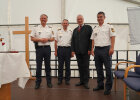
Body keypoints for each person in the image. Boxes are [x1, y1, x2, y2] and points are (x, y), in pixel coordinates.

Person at [91, 11, 116, 95]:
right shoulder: (95, 28)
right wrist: (92, 49)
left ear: (104, 18)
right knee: (99, 69)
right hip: (97, 50)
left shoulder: (109, 26)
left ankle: (108, 88)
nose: (99, 18)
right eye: (98, 17)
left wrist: (112, 47)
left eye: (101, 17)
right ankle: (100, 85)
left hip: (106, 49)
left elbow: (113, 37)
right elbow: (93, 39)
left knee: (108, 69)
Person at [30, 14, 54, 89]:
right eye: (42, 18)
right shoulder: (35, 28)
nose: (43, 19)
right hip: (39, 49)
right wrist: (40, 40)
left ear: (47, 20)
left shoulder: (50, 28)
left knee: (48, 66)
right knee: (38, 66)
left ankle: (49, 82)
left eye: (45, 18)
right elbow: (32, 38)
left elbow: (53, 39)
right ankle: (38, 83)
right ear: (40, 19)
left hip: (47, 48)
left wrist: (47, 39)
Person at [71, 15, 92, 89]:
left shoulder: (88, 27)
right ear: (77, 20)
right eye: (78, 19)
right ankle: (81, 81)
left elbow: (91, 39)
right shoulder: (75, 30)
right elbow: (73, 41)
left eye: (80, 19)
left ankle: (86, 82)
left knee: (86, 67)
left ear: (83, 19)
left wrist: (90, 49)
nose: (79, 20)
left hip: (86, 51)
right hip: (78, 52)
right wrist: (73, 50)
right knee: (80, 67)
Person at [54, 19, 72, 85]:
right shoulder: (58, 31)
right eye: (64, 23)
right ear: (62, 24)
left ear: (68, 24)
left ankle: (67, 80)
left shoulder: (71, 31)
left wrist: (72, 51)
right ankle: (60, 79)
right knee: (60, 66)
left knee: (68, 66)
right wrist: (55, 51)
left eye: (66, 23)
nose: (65, 24)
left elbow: (72, 42)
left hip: (68, 50)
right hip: (60, 49)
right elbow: (55, 42)